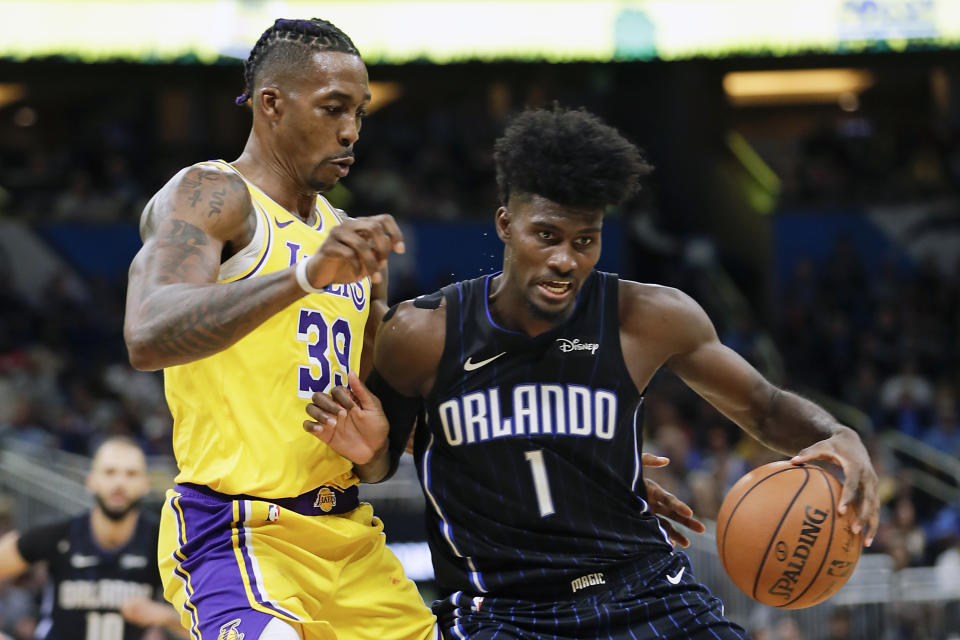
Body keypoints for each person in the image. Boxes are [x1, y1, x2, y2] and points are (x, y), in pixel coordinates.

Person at [305, 107, 881, 639]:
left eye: (586, 241)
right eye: (547, 236)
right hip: (502, 611)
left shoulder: (649, 317)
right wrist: (370, 452)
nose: (566, 259)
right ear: (505, 224)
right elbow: (381, 461)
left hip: (646, 589)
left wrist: (835, 436)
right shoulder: (424, 334)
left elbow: (765, 407)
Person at [122, 17, 440, 640]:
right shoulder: (211, 194)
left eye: (359, 112)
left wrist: (378, 445)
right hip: (236, 534)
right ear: (270, 103)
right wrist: (304, 276)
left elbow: (373, 461)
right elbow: (147, 334)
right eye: (332, 108)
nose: (350, 130)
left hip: (347, 536)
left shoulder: (349, 241)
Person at [0, 437, 185, 639]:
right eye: (109, 472)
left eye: (131, 474)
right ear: (90, 480)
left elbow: (211, 626)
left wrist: (167, 617)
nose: (119, 482)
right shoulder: (58, 535)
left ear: (145, 485)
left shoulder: (162, 542)